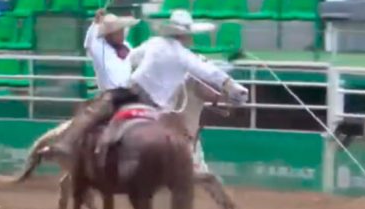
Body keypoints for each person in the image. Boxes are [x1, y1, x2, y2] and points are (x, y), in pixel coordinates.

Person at [47, 9, 245, 161]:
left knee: (100, 109)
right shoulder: (185, 56)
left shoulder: (154, 43)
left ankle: (68, 142)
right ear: (184, 36)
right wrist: (232, 87)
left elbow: (133, 58)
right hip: (160, 105)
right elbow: (208, 72)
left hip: (133, 91)